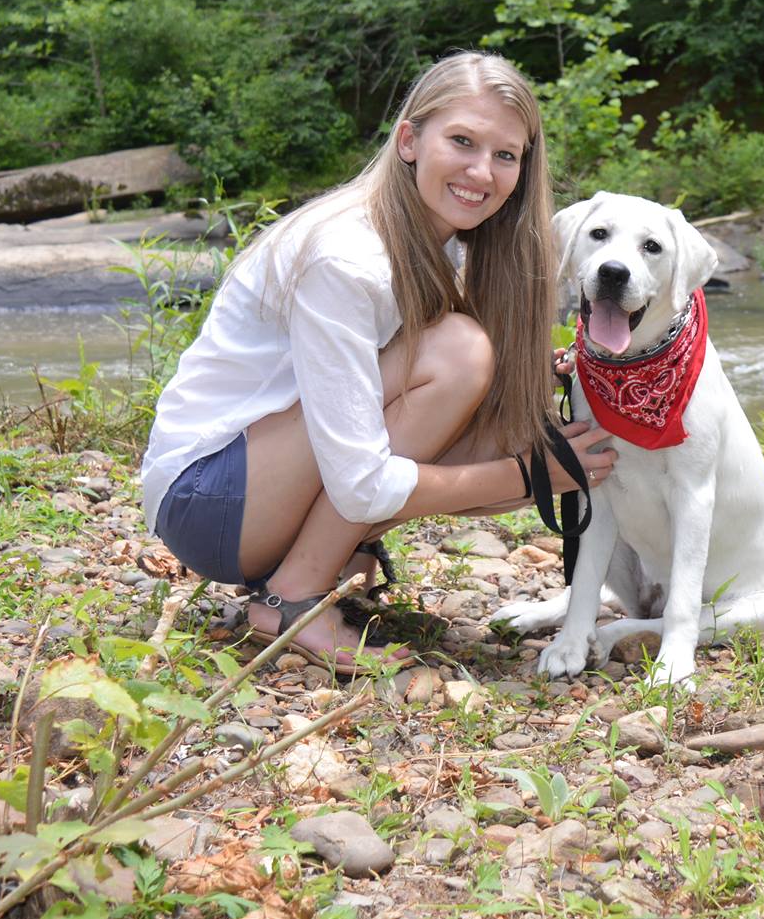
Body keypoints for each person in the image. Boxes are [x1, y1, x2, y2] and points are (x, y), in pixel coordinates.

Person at [140, 51, 617, 673]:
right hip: (210, 499)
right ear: (409, 140)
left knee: (508, 412)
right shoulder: (346, 256)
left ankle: (328, 555)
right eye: (463, 141)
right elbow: (361, 478)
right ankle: (292, 600)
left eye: (506, 155)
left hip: (262, 487)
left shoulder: (440, 242)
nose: (482, 171)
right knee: (461, 355)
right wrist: (525, 476)